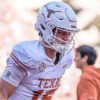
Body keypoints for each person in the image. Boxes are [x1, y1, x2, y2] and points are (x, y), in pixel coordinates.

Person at [0, 1, 79, 100]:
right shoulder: (27, 54)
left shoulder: (66, 57)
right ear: (46, 28)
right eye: (62, 32)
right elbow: (3, 93)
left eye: (69, 33)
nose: (67, 38)